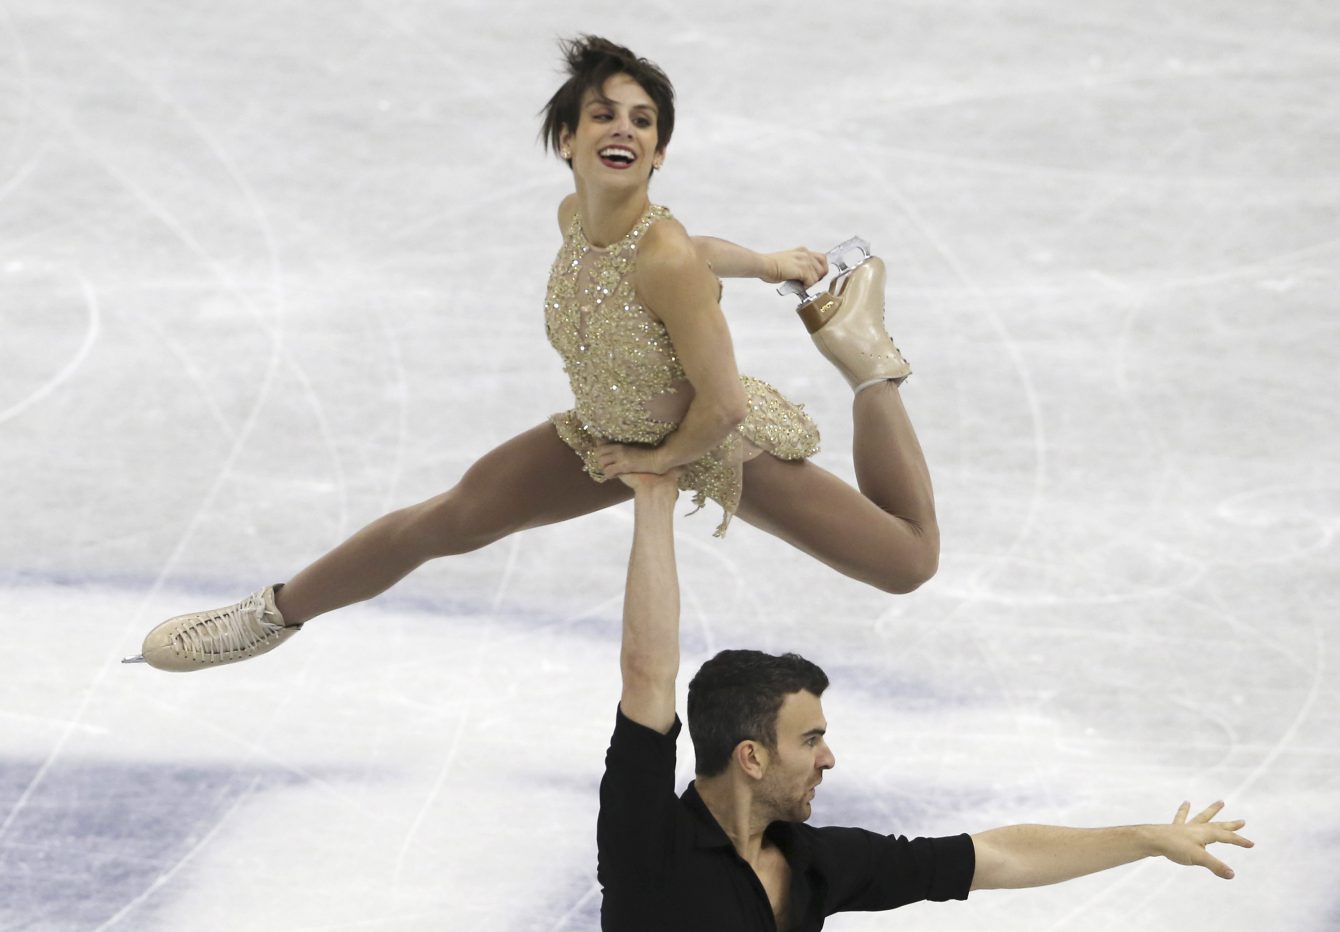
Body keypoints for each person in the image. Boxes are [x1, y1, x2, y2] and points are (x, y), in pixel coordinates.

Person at [125, 35, 936, 672]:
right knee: (449, 520)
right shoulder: (574, 219)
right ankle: (269, 615)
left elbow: (718, 400)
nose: (624, 127)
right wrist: (765, 261)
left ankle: (868, 360)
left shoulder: (666, 260)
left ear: (658, 155)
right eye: (604, 114)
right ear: (567, 139)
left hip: (716, 446)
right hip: (604, 431)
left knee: (906, 563)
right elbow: (695, 243)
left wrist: (660, 466)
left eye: (644, 121)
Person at [603, 468, 1253, 931]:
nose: (829, 758)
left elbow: (994, 857)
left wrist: (1146, 838)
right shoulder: (650, 843)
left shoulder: (813, 864)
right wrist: (654, 500)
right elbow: (648, 672)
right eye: (809, 740)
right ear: (750, 757)